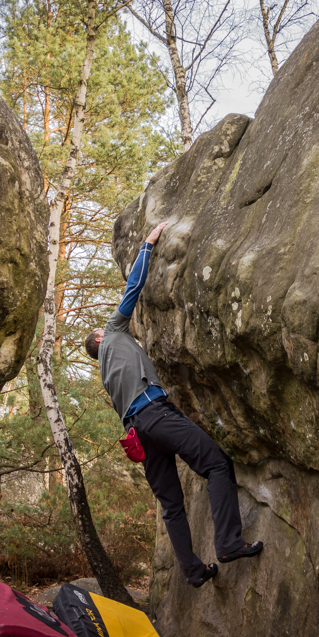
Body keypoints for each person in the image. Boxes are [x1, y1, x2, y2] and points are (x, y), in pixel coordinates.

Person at [85, 221, 262, 588]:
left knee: (171, 506)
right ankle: (228, 542)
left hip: (137, 436)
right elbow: (133, 288)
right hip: (155, 414)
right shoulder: (114, 331)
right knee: (215, 463)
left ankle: (194, 571)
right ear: (101, 337)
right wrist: (148, 245)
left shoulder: (105, 373)